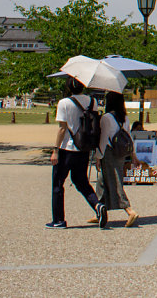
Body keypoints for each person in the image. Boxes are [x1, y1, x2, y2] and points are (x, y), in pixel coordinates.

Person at [47, 77, 106, 229]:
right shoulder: (92, 101)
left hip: (67, 148)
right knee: (81, 182)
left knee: (58, 184)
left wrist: (55, 149)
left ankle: (58, 219)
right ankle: (97, 205)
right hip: (84, 147)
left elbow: (62, 128)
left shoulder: (64, 103)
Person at [89, 91, 141, 228]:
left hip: (109, 152)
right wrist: (133, 155)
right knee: (102, 181)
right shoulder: (124, 117)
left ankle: (129, 210)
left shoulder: (106, 117)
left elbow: (103, 139)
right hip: (121, 153)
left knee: (114, 181)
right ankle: (98, 210)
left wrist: (98, 157)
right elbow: (129, 136)